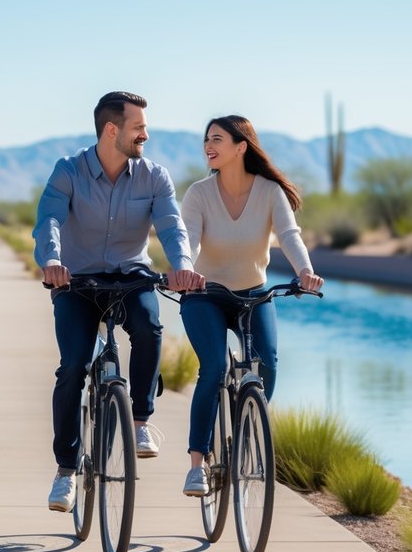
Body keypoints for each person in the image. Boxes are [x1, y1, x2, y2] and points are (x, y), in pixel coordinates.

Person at [33, 91, 205, 513]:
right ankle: (65, 471)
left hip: (131, 278)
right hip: (77, 283)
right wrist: (52, 260)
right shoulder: (69, 171)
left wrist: (182, 265)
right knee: (73, 366)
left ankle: (141, 421)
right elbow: (48, 220)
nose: (145, 134)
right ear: (112, 130)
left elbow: (171, 227)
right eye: (138, 127)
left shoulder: (154, 176)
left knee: (150, 328)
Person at [179, 115, 323, 497]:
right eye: (206, 139)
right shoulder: (198, 194)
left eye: (218, 139)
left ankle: (246, 429)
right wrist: (185, 269)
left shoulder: (269, 192)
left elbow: (289, 235)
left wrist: (305, 272)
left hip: (253, 295)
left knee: (268, 365)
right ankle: (197, 464)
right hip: (204, 294)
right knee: (213, 367)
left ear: (241, 147)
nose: (208, 146)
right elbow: (189, 239)